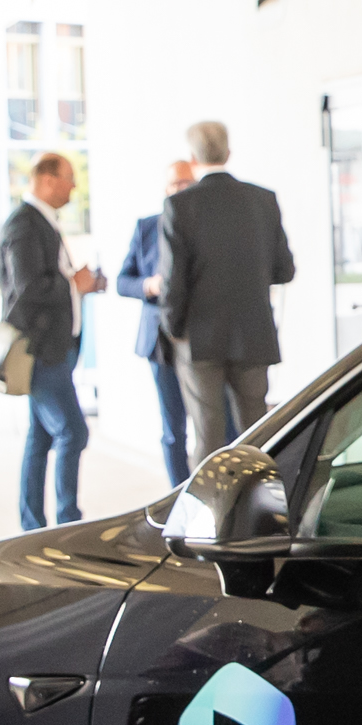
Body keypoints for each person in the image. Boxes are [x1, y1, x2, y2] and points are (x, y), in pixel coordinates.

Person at [156, 118, 294, 458]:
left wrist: (173, 329)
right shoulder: (264, 200)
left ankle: (210, 511)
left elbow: (173, 281)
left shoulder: (179, 206)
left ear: (192, 157)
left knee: (207, 438)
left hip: (200, 339)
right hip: (254, 332)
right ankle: (262, 506)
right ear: (229, 151)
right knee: (257, 434)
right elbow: (285, 270)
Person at [0, 150, 102, 529]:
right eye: (68, 178)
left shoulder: (43, 222)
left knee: (40, 439)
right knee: (73, 432)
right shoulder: (24, 224)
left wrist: (80, 285)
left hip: (57, 348)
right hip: (42, 351)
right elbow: (28, 288)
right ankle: (67, 522)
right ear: (46, 180)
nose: (74, 186)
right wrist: (73, 283)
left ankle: (33, 524)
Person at [114, 155, 198, 485]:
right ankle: (176, 493)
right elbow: (123, 281)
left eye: (187, 183)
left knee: (212, 422)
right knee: (172, 428)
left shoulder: (205, 228)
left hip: (200, 339)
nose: (181, 189)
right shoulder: (147, 226)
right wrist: (148, 285)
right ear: (165, 188)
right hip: (159, 341)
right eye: (176, 183)